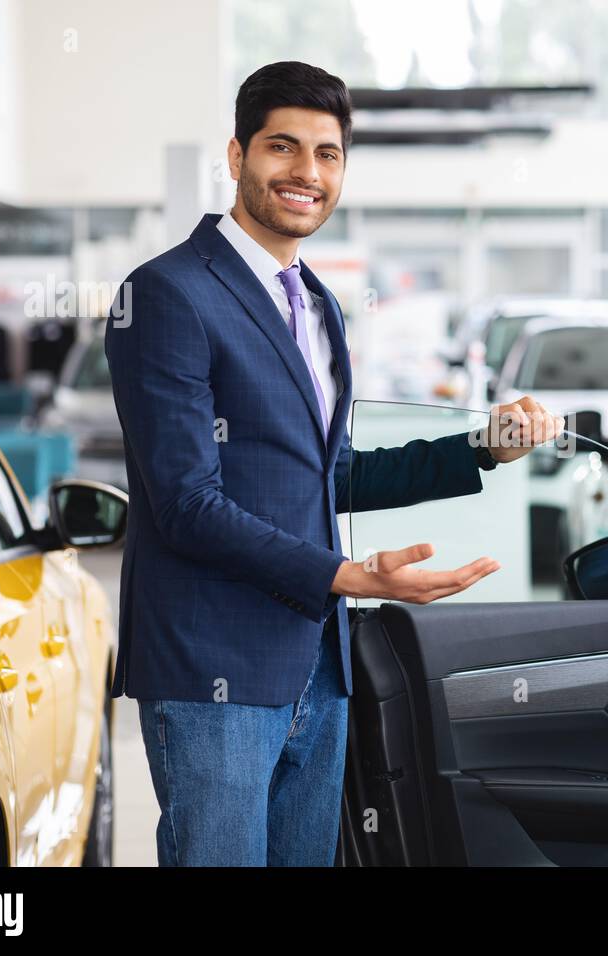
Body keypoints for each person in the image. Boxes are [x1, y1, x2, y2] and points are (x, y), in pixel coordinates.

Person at [104, 61, 562, 866]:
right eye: (283, 148)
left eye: (328, 154)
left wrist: (483, 447)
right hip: (214, 670)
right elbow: (185, 503)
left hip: (321, 665)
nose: (306, 174)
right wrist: (350, 576)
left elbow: (329, 473)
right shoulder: (168, 293)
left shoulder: (316, 304)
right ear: (238, 154)